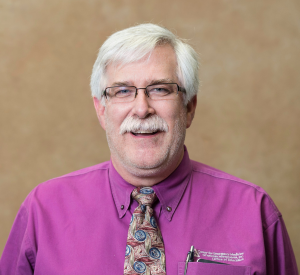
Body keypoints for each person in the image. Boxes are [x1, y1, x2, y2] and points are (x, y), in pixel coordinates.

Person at [0, 24, 298, 275]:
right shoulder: (44, 210)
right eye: (123, 91)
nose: (141, 109)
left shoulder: (254, 212)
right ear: (102, 110)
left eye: (160, 89)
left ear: (189, 107)